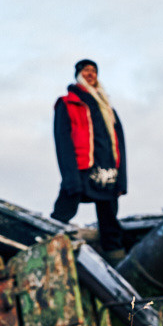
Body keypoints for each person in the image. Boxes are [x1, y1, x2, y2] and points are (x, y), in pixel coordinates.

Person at [51, 58, 128, 255]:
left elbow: (120, 145)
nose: (90, 74)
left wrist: (122, 181)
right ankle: (45, 249)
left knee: (110, 224)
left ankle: (117, 264)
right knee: (62, 214)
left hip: (107, 171)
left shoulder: (108, 109)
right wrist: (70, 175)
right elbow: (63, 142)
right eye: (85, 70)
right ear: (78, 74)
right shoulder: (67, 104)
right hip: (81, 168)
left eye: (94, 70)